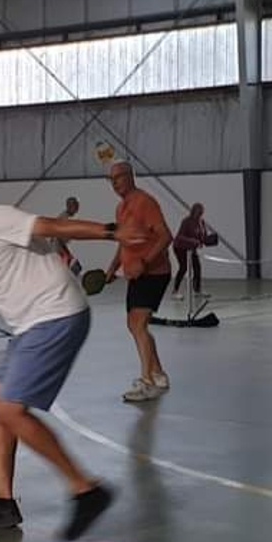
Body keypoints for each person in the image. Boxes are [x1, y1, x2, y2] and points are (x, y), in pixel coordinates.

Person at [0, 177, 146, 541]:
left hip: (55, 317)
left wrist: (111, 231)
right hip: (31, 326)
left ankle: (85, 490)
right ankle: (2, 499)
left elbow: (51, 225)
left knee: (10, 408)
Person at [104, 162, 174, 403]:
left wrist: (143, 262)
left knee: (138, 324)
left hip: (154, 272)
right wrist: (113, 267)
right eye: (111, 179)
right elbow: (124, 242)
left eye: (119, 177)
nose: (115, 182)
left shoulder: (145, 202)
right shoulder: (121, 208)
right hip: (136, 274)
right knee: (134, 325)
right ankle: (158, 373)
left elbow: (166, 236)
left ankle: (147, 382)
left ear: (131, 176)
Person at [171, 203, 209, 301]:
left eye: (201, 212)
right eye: (198, 212)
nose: (200, 214)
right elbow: (180, 236)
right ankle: (175, 291)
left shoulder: (202, 222)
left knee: (197, 267)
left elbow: (202, 235)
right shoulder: (186, 221)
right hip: (180, 247)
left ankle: (197, 290)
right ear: (193, 211)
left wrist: (207, 240)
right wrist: (193, 241)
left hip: (191, 249)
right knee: (183, 268)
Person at [56, 196, 82, 275]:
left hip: (60, 247)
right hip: (58, 248)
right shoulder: (64, 218)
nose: (77, 209)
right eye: (75, 206)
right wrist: (66, 253)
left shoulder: (67, 217)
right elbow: (58, 237)